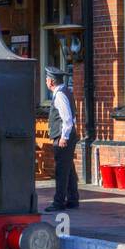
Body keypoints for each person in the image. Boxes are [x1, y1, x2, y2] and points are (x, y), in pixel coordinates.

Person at [43, 66, 78, 212]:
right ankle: (73, 199)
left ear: (51, 81)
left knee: (61, 171)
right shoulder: (64, 92)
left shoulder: (60, 95)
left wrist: (64, 137)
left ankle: (59, 202)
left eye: (46, 79)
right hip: (67, 136)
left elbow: (67, 118)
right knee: (69, 169)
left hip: (64, 138)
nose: (45, 81)